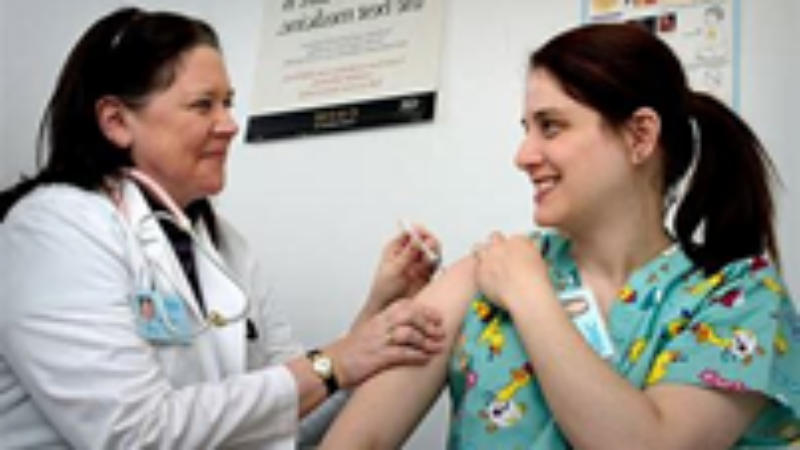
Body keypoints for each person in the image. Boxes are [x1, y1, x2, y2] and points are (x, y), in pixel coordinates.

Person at [320, 22, 800, 449]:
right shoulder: (486, 274)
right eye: (526, 129)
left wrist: (530, 296)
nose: (523, 155)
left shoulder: (740, 297)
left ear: (639, 136)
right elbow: (360, 438)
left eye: (551, 127)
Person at [0, 7, 446, 449]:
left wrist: (374, 320)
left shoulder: (224, 247)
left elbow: (292, 422)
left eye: (228, 103)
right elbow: (133, 435)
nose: (230, 125)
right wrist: (338, 361)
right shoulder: (51, 230)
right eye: (202, 105)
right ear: (117, 122)